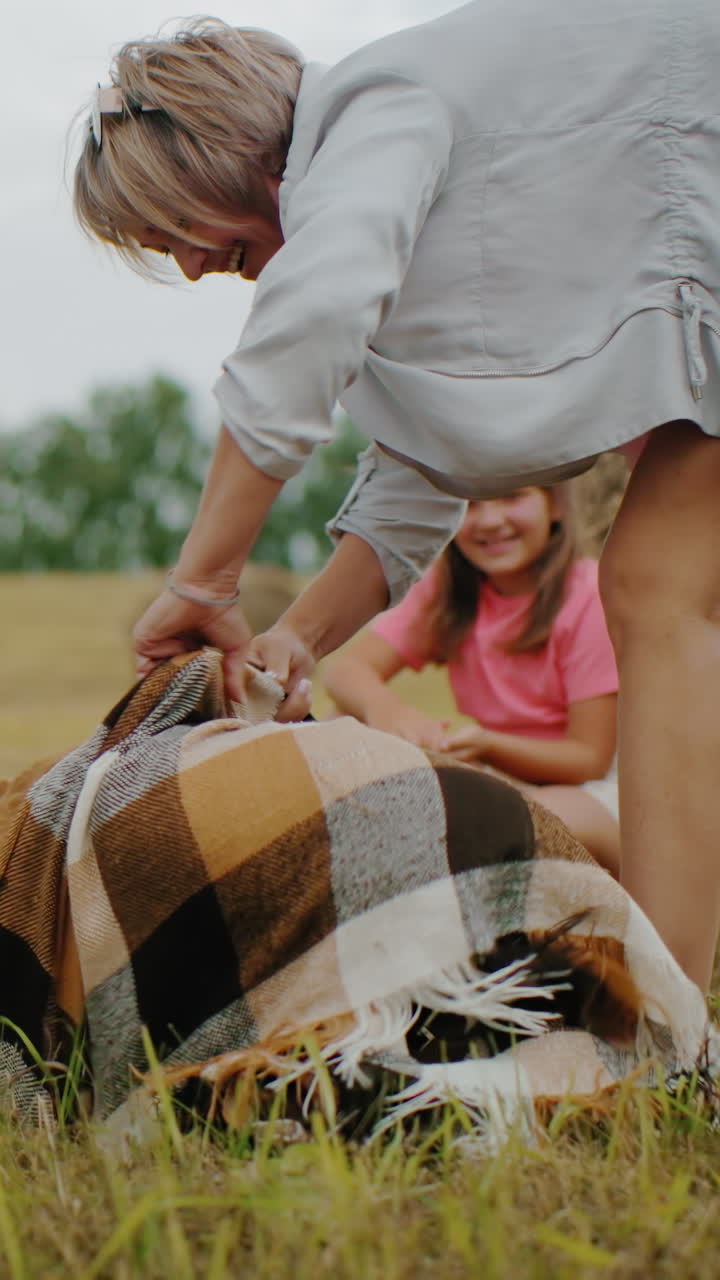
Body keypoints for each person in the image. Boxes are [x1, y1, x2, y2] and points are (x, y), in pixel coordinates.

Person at [71, 2, 720, 990]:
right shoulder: (405, 253)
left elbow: (314, 316)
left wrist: (205, 579)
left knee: (655, 587)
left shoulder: (374, 109)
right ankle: (676, 1009)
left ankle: (671, 1020)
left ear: (233, 148)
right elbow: (417, 481)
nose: (194, 264)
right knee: (663, 585)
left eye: (176, 228)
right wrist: (294, 639)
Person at [323, 486, 619, 870]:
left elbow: (588, 759)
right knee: (337, 721)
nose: (491, 520)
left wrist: (484, 745)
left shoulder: (589, 595)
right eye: (471, 504)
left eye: (512, 496)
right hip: (503, 780)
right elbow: (345, 671)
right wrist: (386, 710)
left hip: (595, 794)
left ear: (556, 505)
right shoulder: (449, 593)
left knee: (502, 821)